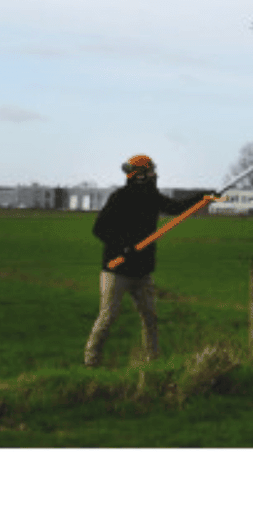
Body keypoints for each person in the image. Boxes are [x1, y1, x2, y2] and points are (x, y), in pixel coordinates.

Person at [84, 154, 211, 366]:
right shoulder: (120, 197)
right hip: (116, 270)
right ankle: (91, 360)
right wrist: (124, 246)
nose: (155, 175)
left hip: (142, 272)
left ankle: (152, 361)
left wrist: (203, 197)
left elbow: (176, 208)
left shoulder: (152, 197)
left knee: (150, 318)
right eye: (151, 171)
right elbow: (100, 229)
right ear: (140, 175)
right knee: (108, 317)